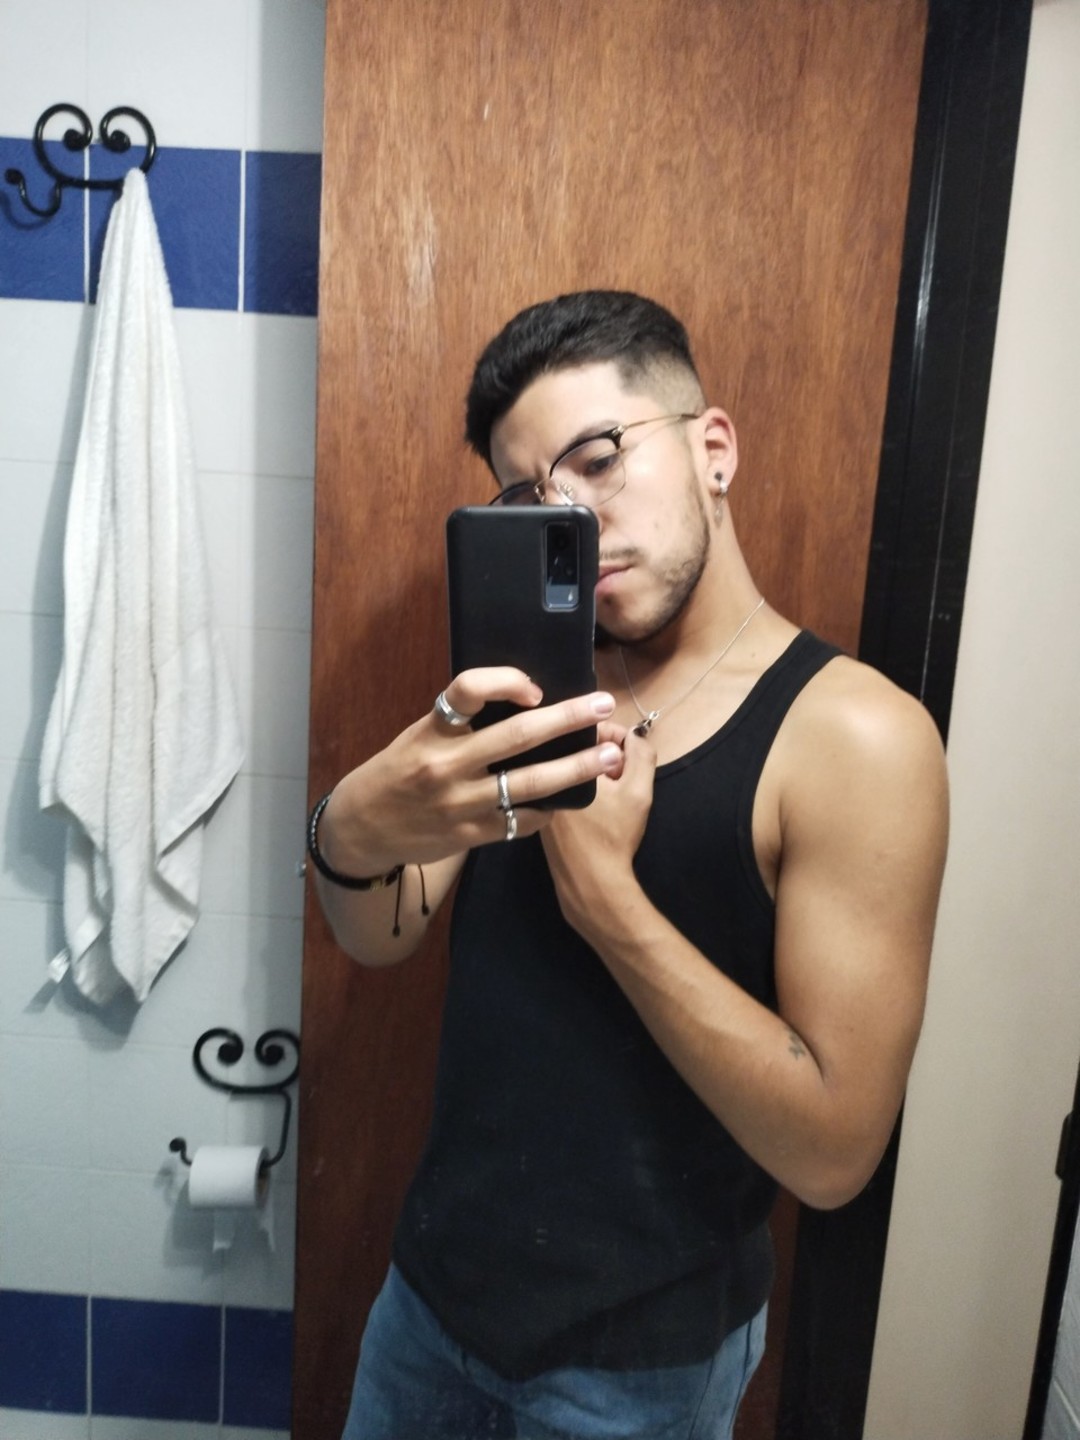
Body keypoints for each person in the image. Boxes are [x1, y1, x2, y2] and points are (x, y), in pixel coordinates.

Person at [311, 291, 949, 1440]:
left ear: (714, 450)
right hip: (428, 1306)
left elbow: (833, 1153)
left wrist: (608, 902)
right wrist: (347, 832)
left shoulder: (854, 737)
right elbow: (381, 933)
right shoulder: (525, 692)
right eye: (531, 498)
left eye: (599, 459)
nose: (574, 516)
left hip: (641, 1371)